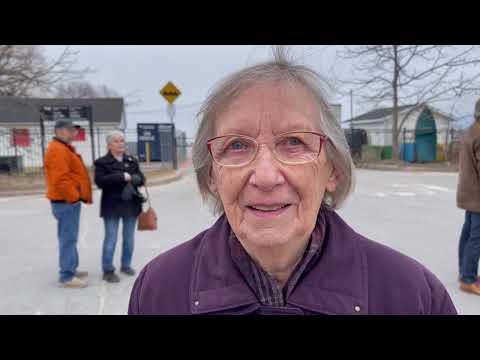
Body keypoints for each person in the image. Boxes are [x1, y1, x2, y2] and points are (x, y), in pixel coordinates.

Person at [128, 48, 457, 315]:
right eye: (237, 146)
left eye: (294, 142)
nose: (266, 177)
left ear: (334, 170)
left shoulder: (412, 297)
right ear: (212, 175)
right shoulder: (159, 291)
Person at [44, 119, 92, 288]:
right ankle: (66, 276)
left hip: (67, 201)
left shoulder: (62, 148)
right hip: (65, 202)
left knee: (69, 237)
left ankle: (71, 268)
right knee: (67, 239)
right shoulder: (58, 150)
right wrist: (73, 197)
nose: (74, 133)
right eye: (71, 130)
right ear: (61, 131)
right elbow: (61, 179)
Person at [94, 130, 145, 283]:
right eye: (116, 141)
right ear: (109, 145)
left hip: (130, 205)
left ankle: (126, 265)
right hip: (111, 206)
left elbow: (141, 179)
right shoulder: (102, 162)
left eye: (122, 140)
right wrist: (121, 177)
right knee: (111, 239)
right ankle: (108, 270)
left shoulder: (131, 160)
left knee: (129, 239)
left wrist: (136, 178)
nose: (120, 143)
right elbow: (100, 181)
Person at [457, 98, 480, 295]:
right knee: (476, 238)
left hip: (468, 193)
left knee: (468, 234)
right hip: (478, 196)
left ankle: (464, 272)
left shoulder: (471, 130)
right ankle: (468, 278)